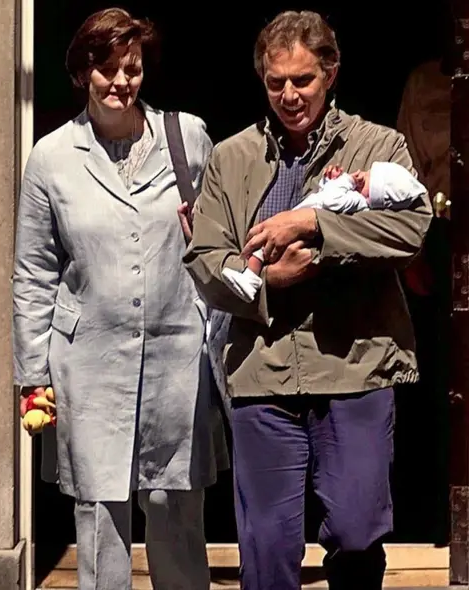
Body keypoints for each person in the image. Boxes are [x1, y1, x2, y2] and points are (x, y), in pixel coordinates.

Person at [183, 10, 432, 590]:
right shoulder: (233, 157)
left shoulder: (378, 146)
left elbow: (411, 229)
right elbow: (205, 258)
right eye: (276, 83)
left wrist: (312, 224)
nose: (290, 95)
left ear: (330, 73)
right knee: (267, 549)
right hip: (263, 373)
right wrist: (271, 283)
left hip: (356, 366)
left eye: (303, 80)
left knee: (356, 527)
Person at [12, 8, 228, 590]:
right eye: (104, 69)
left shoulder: (188, 139)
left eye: (130, 68)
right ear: (82, 73)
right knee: (100, 515)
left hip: (176, 355)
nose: (119, 81)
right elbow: (34, 271)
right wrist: (34, 373)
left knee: (176, 507)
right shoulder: (51, 158)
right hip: (90, 359)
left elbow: (219, 243)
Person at [221, 161, 427, 302]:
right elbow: (325, 194)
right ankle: (250, 274)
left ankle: (250, 278)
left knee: (262, 248)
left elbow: (331, 200)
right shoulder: (353, 198)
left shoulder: (358, 202)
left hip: (295, 227)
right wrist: (331, 179)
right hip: (294, 218)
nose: (360, 176)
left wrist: (346, 181)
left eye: (366, 179)